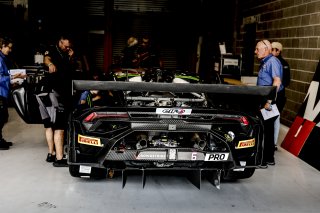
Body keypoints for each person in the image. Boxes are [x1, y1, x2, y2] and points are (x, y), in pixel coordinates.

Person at [40, 34, 77, 166]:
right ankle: (60, 159)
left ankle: (52, 154)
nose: (67, 48)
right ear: (60, 42)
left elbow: (67, 70)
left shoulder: (66, 55)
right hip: (55, 94)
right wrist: (50, 64)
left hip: (47, 93)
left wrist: (70, 57)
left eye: (69, 47)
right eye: (66, 46)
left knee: (49, 125)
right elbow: (46, 58)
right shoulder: (52, 50)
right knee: (59, 127)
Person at [255, 39, 284, 167]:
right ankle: (268, 158)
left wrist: (269, 102)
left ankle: (264, 160)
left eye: (257, 49)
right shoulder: (265, 62)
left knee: (266, 129)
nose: (255, 51)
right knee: (266, 129)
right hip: (265, 98)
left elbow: (277, 82)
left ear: (266, 50)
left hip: (270, 99)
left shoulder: (272, 61)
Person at [0, 36, 26, 150]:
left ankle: (0, 139)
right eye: (8, 48)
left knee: (2, 117)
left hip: (2, 91)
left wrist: (12, 81)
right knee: (1, 117)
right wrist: (13, 77)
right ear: (2, 46)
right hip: (0, 92)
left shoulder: (3, 58)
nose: (10, 50)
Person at [271, 42, 290, 150]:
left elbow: (286, 81)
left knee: (276, 118)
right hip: (272, 94)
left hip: (279, 95)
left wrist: (277, 87)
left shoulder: (283, 63)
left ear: (278, 51)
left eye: (274, 49)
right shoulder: (271, 61)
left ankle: (273, 143)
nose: (272, 51)